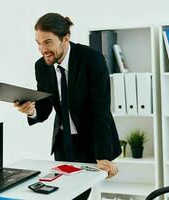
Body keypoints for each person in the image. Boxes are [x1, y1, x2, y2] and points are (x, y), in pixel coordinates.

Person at [14, 12, 121, 200]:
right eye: (38, 43)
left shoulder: (92, 59)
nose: (42, 49)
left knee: (83, 193)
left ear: (66, 38)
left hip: (92, 142)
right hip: (63, 144)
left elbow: (101, 110)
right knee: (64, 193)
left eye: (47, 42)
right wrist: (31, 110)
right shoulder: (41, 66)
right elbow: (46, 106)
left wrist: (103, 156)